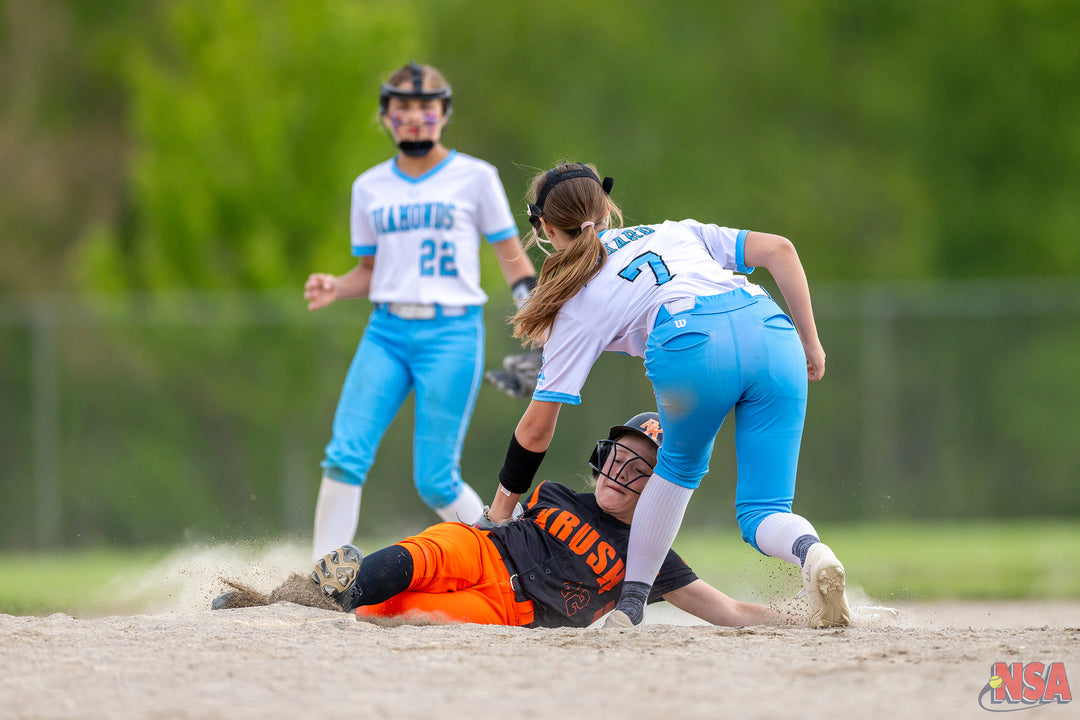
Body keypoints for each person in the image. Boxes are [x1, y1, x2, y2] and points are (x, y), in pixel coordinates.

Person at [481, 162, 850, 629]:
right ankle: (813, 554)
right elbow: (780, 249)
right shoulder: (677, 230)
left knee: (677, 469)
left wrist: (499, 513)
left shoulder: (572, 299)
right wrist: (810, 342)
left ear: (546, 229)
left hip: (692, 340)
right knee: (764, 510)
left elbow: (536, 428)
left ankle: (630, 609)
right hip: (773, 330)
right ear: (607, 206)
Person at [215, 412, 779, 629]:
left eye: (638, 470)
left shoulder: (651, 556)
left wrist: (805, 617)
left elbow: (726, 610)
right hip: (488, 549)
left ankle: (338, 598)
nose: (615, 474)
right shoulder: (559, 494)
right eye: (615, 457)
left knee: (401, 614)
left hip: (510, 610)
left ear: (660, 490)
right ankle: (302, 597)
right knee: (422, 557)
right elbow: (516, 473)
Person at [303, 62, 537, 562]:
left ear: (444, 113)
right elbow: (369, 270)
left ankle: (512, 561)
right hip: (386, 331)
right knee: (344, 454)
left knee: (435, 478)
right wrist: (336, 286)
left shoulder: (475, 176)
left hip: (451, 332)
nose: (414, 117)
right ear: (385, 115)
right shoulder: (368, 186)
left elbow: (510, 255)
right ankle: (323, 576)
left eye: (425, 106)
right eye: (402, 107)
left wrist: (535, 315)